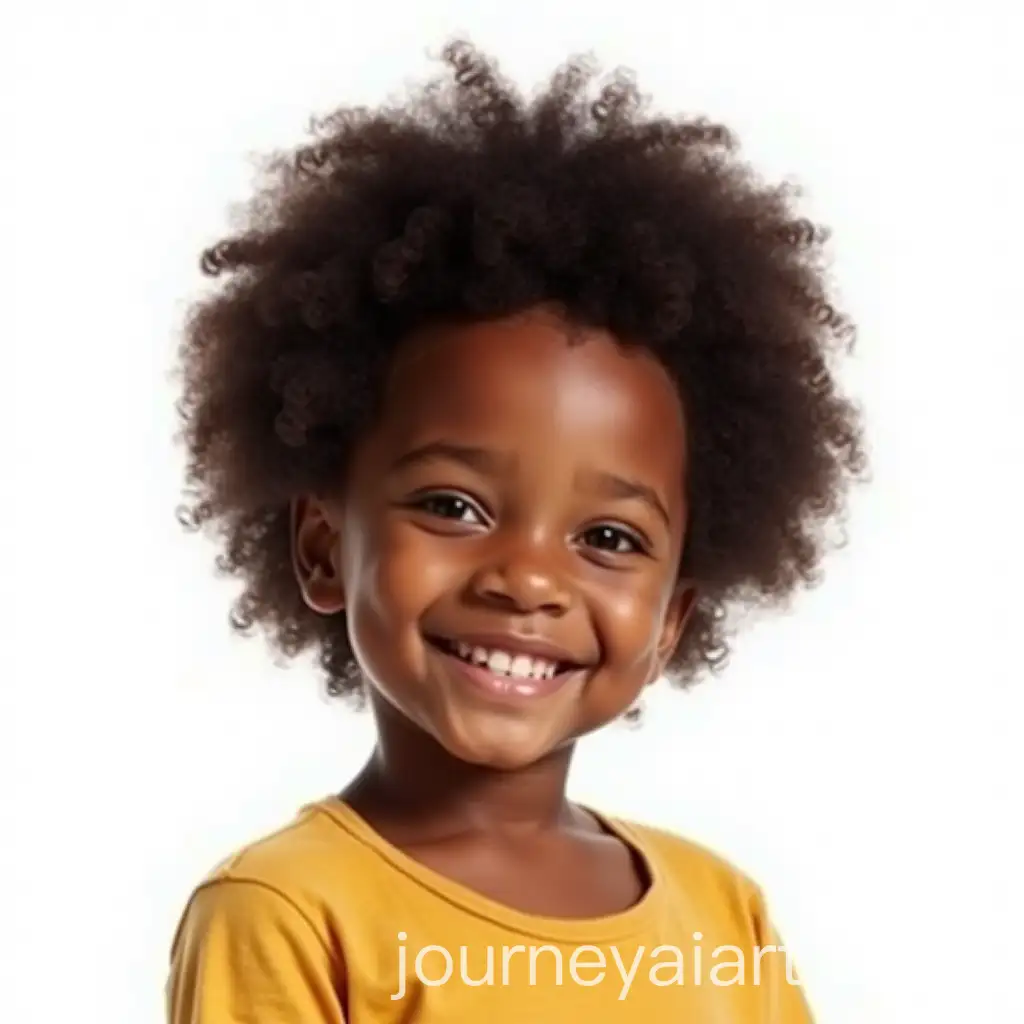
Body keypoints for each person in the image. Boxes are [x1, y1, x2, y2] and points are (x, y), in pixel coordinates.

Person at [166, 38, 866, 1022]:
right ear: (325, 545)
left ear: (670, 619)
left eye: (610, 538)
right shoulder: (288, 911)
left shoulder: (721, 910)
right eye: (454, 506)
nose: (527, 578)